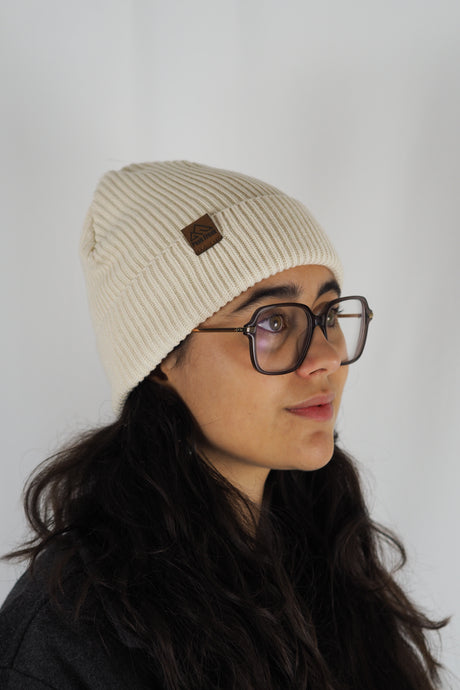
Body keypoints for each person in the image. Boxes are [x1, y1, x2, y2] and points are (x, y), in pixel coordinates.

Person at [0, 161, 448, 689]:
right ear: (161, 360)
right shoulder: (68, 630)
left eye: (328, 316)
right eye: (273, 322)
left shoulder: (330, 553)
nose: (326, 357)